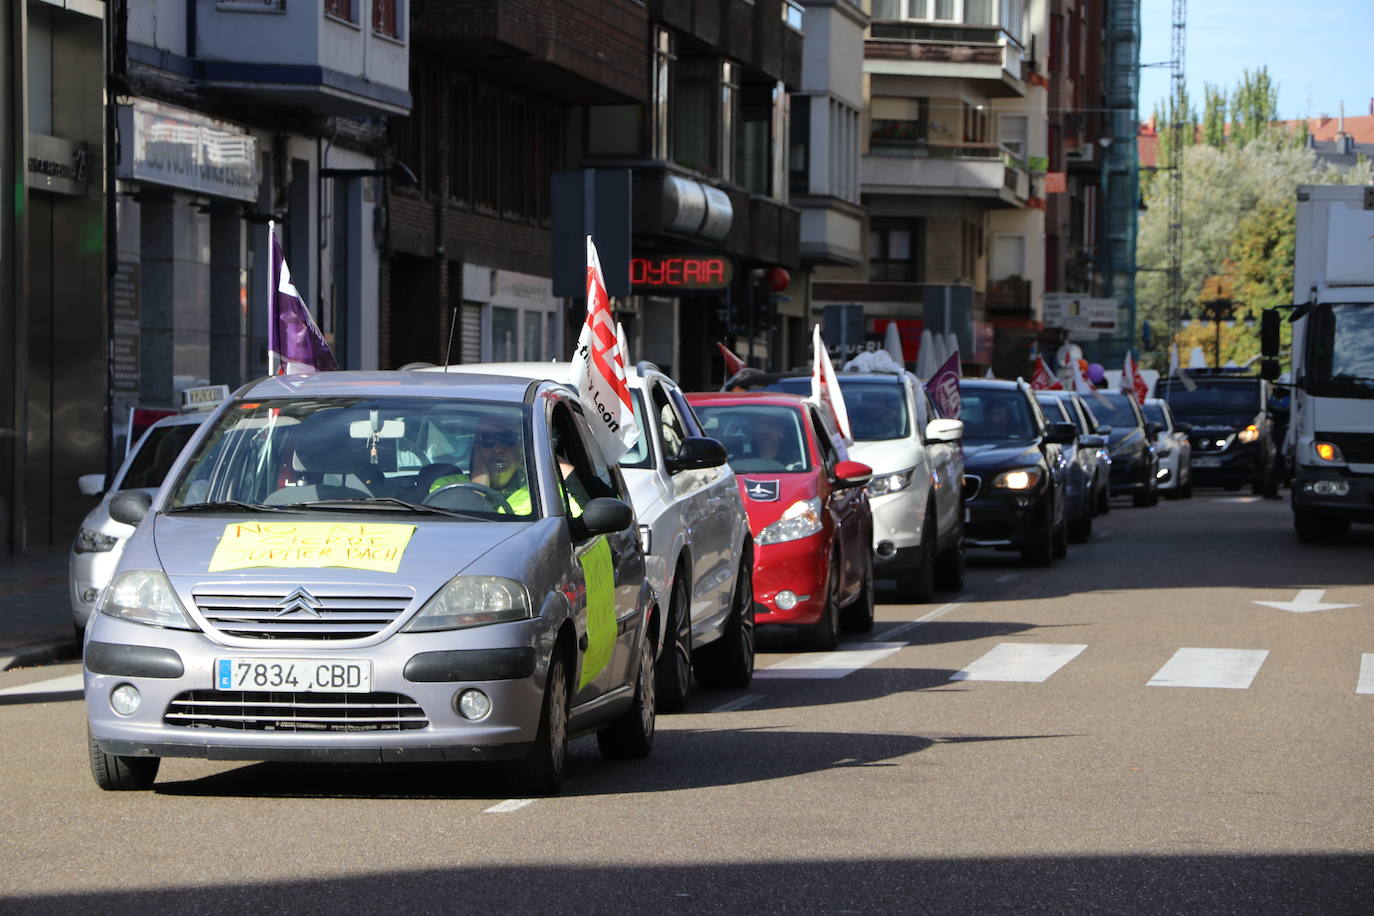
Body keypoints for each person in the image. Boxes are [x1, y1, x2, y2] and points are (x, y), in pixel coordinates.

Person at [428, 416, 531, 514]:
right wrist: (478, 489)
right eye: (487, 439)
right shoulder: (447, 487)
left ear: (521, 448)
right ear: (476, 449)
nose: (498, 449)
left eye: (507, 439)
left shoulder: (537, 492)